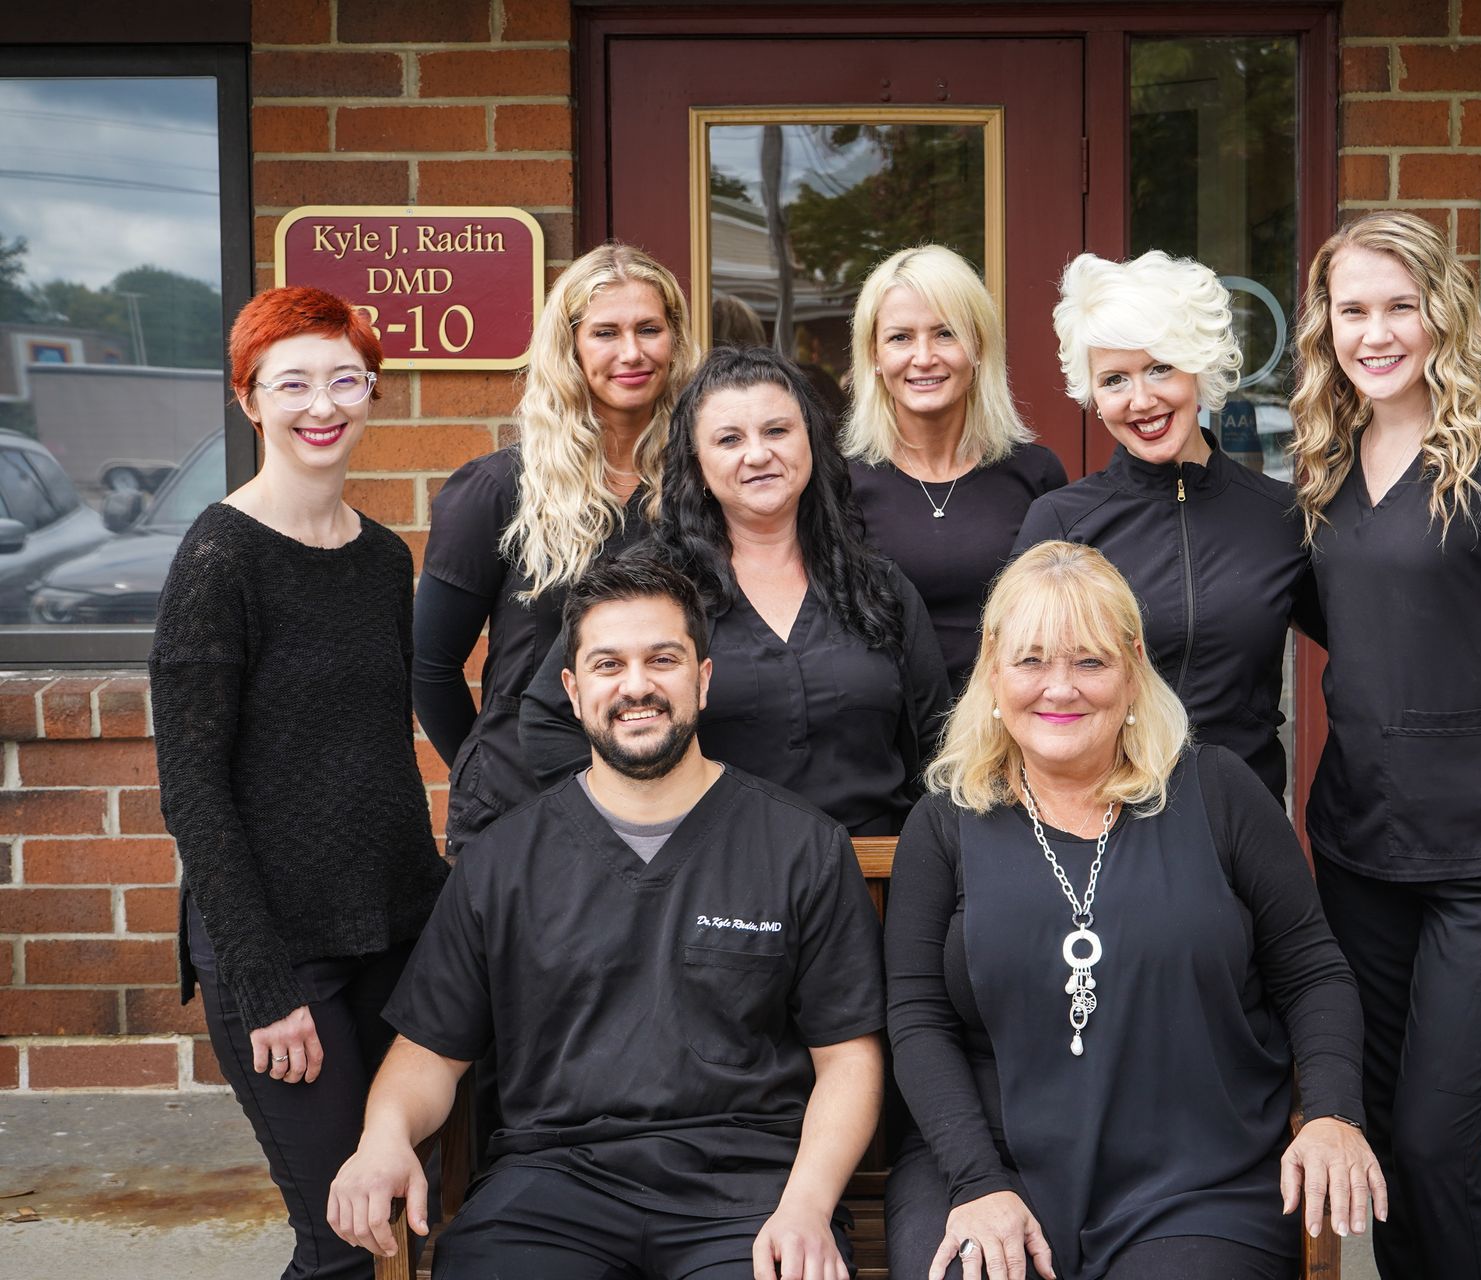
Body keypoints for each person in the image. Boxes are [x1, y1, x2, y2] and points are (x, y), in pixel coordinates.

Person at [327, 556, 885, 1280]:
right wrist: (384, 1137)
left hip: (748, 1196)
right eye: (608, 664)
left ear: (703, 679)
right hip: (551, 1194)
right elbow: (429, 1053)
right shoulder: (503, 862)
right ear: (573, 688)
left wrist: (807, 1207)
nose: (637, 685)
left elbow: (849, 1059)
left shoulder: (799, 846)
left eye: (663, 659)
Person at [885, 540, 1385, 1280]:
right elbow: (917, 1017)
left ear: (1132, 668)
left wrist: (1335, 1113)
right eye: (1032, 661)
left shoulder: (1218, 792)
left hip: (1198, 1180)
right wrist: (977, 1181)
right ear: (993, 671)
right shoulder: (945, 822)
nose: (1061, 688)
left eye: (1089, 661)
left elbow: (1312, 971)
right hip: (994, 1167)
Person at [1289, 211, 1481, 1280]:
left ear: (1442, 313)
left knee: (1432, 1137)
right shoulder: (1325, 464)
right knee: (1377, 1123)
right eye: (1351, 309)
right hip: (1364, 848)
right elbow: (1378, 644)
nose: (1375, 332)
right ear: (1325, 326)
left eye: (1398, 306)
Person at [150, 286, 448, 1280]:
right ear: (251, 399)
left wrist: (442, 920)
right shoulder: (220, 557)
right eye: (293, 382)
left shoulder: (380, 560)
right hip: (282, 960)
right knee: (344, 1241)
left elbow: (374, 755)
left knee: (410, 1216)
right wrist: (264, 982)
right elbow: (193, 790)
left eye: (345, 380)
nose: (322, 404)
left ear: (371, 393)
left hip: (391, 935)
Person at [520, 346, 950, 836]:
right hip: (704, 884)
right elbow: (547, 724)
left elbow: (941, 743)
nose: (758, 454)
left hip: (871, 879)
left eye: (777, 431)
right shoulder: (647, 588)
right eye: (729, 439)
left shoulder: (879, 587)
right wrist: (635, 838)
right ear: (697, 464)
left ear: (811, 441)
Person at [413, 243, 697, 851]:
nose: (631, 352)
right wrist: (488, 762)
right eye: (605, 332)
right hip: (521, 811)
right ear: (569, 346)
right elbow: (429, 667)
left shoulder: (700, 489)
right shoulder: (496, 490)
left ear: (675, 341)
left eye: (649, 329)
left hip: (667, 806)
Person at [1013, 251, 1311, 802]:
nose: (1141, 400)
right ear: (1094, 397)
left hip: (1243, 821)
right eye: (1114, 379)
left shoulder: (1280, 517)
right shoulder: (1059, 523)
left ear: (1198, 366)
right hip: (1103, 822)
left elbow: (1371, 653)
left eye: (1160, 368)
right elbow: (1018, 687)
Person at [843, 245, 1066, 688]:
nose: (923, 357)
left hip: (1011, 733)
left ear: (979, 346)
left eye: (945, 333)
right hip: (888, 739)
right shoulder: (838, 483)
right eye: (900, 337)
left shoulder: (1036, 475)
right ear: (873, 355)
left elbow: (1060, 623)